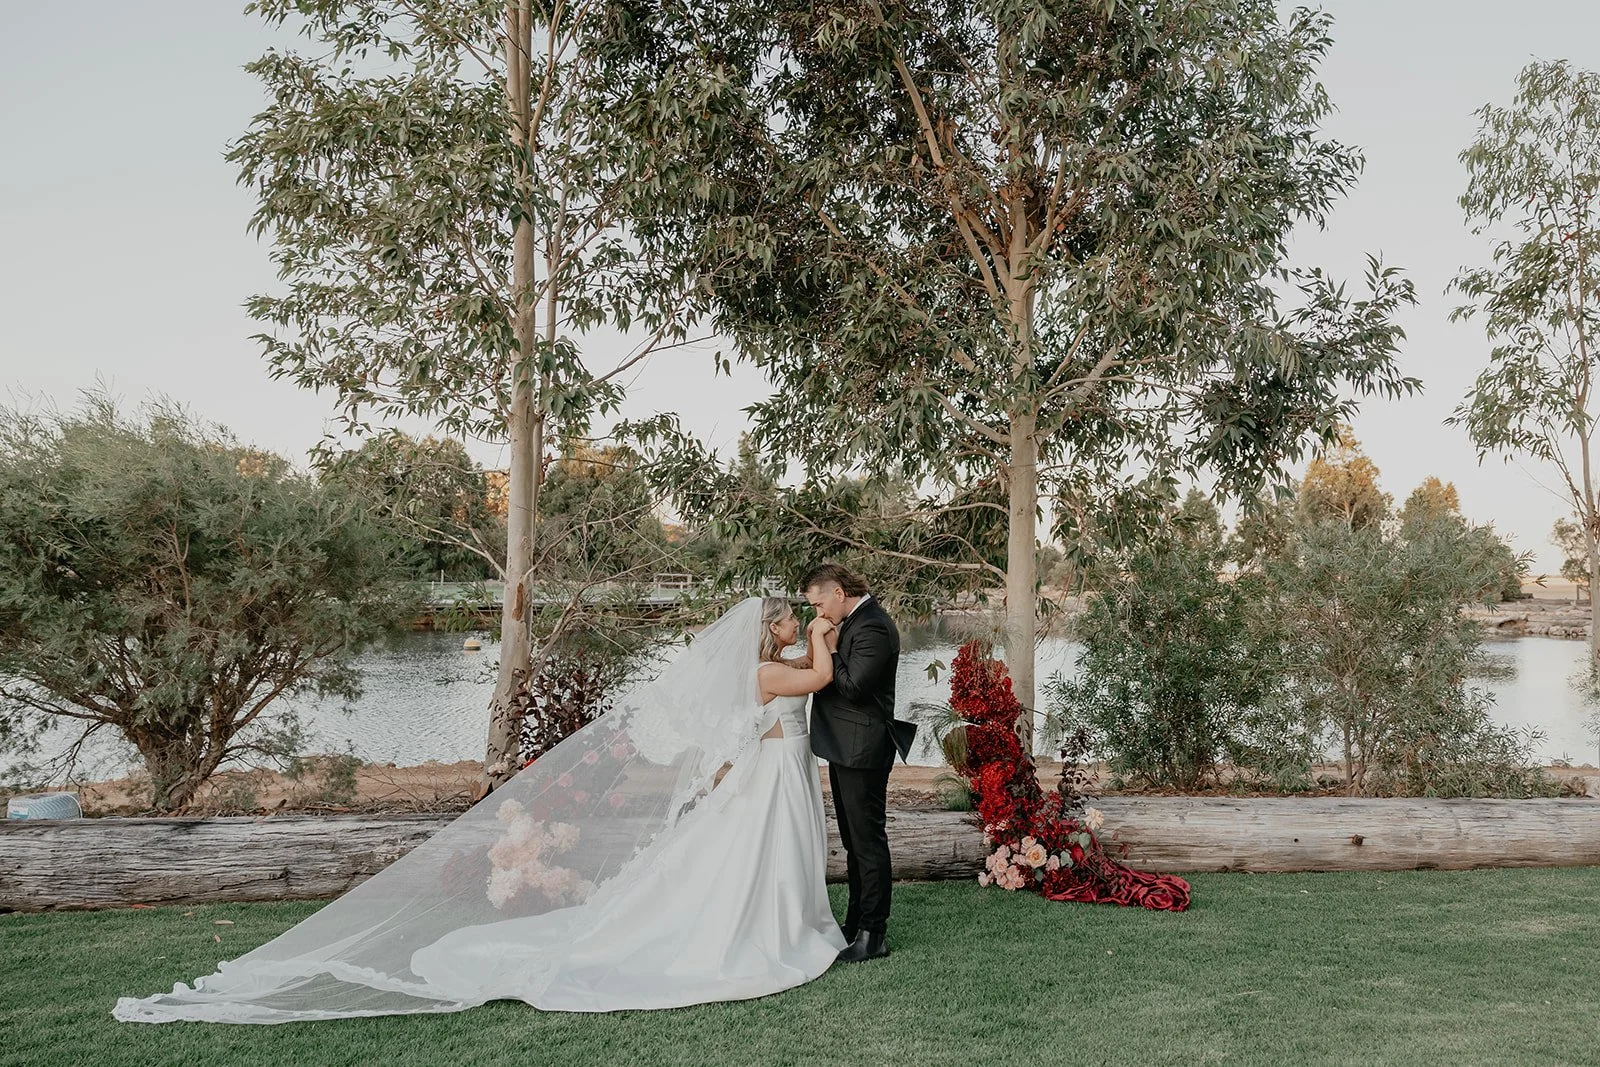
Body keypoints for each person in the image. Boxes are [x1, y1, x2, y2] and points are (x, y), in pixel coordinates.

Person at [114, 597, 848, 1022]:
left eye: (796, 617)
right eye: (788, 618)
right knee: (747, 863)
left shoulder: (763, 670)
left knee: (747, 861)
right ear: (769, 632)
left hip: (772, 771)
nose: (793, 620)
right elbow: (817, 674)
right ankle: (770, 935)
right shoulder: (767, 669)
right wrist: (823, 635)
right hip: (774, 775)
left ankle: (784, 924)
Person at [802, 563, 900, 963]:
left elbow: (854, 687)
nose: (819, 613)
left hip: (865, 748)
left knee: (868, 841)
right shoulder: (852, 623)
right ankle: (855, 921)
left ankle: (873, 934)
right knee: (853, 842)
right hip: (847, 747)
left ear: (839, 592)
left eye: (820, 602)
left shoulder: (873, 627)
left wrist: (830, 647)